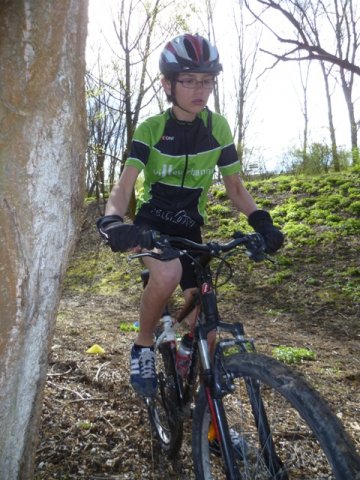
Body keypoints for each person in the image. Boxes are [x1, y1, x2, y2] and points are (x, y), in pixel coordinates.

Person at [97, 33, 284, 397]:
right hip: (152, 226)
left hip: (191, 229)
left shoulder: (218, 129)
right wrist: (113, 220)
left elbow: (235, 187)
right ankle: (144, 344)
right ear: (167, 84)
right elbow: (124, 185)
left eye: (207, 80)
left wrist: (261, 221)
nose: (200, 89)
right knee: (166, 273)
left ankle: (209, 425)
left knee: (208, 332)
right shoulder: (151, 129)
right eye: (189, 80)